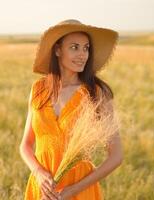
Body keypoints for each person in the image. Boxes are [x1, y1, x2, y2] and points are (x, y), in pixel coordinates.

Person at [19, 19, 123, 200]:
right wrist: (38, 173)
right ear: (58, 50)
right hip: (42, 189)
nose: (83, 54)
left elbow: (116, 156)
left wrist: (72, 191)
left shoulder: (96, 93)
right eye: (74, 47)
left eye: (86, 48)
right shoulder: (38, 90)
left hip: (79, 190)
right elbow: (26, 145)